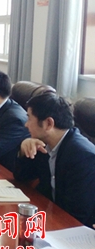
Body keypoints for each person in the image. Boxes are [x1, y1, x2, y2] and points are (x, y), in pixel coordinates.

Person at [14, 93, 95, 227]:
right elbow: (22, 177)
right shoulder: (44, 143)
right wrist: (23, 150)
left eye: (29, 118)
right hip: (50, 216)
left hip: (74, 229)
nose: (26, 125)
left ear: (48, 123)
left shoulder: (83, 157)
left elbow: (77, 214)